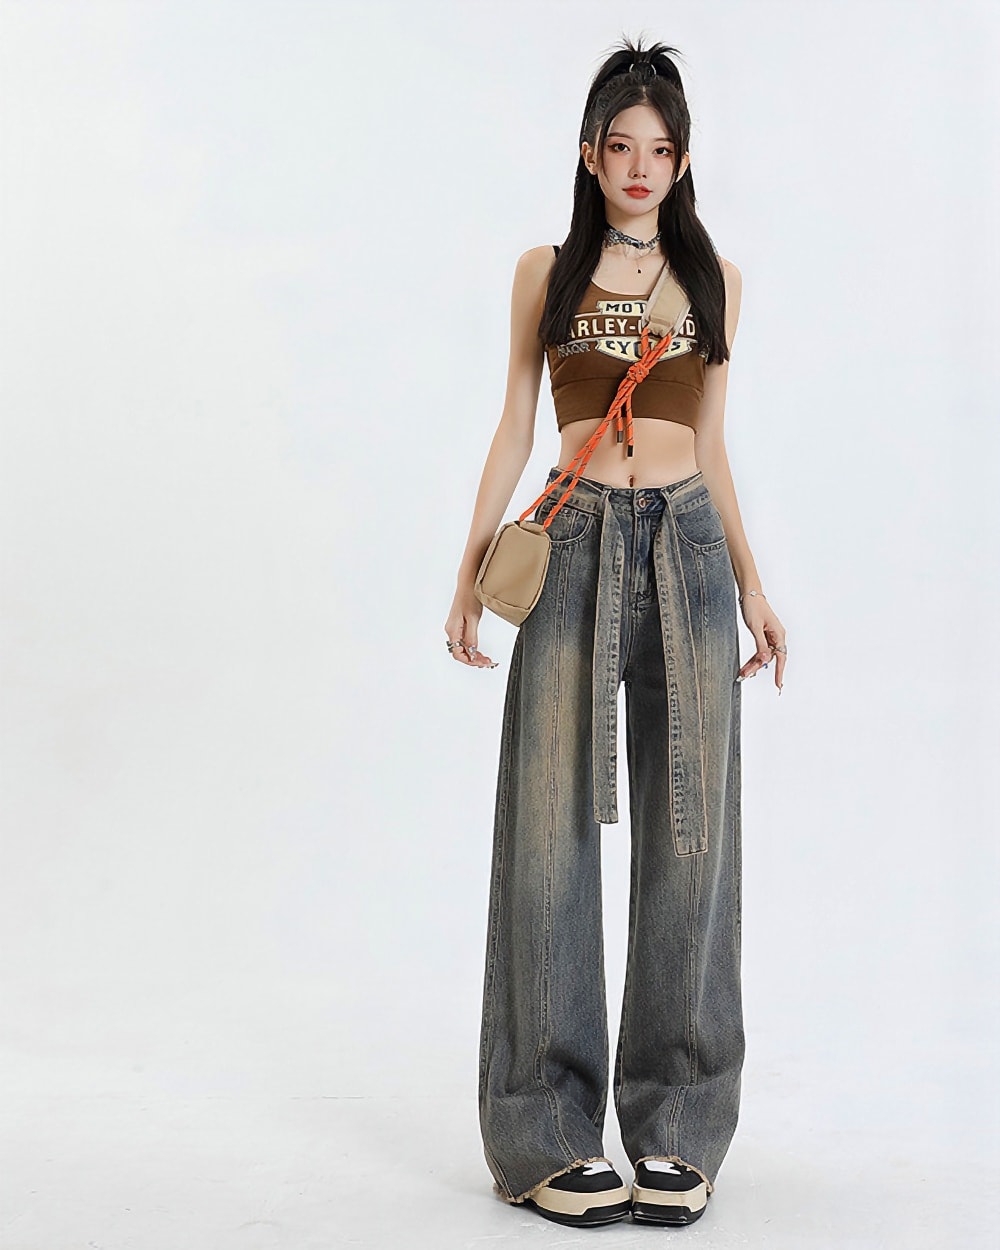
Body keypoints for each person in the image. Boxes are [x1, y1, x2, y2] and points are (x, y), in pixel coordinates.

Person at [444, 36, 787, 1229]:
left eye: (661, 149)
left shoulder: (715, 278)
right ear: (589, 155)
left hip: (685, 542)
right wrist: (466, 569)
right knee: (547, 830)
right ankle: (541, 1130)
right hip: (574, 536)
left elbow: (716, 444)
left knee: (691, 833)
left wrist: (752, 584)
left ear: (681, 163)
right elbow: (512, 423)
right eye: (621, 145)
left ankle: (678, 1124)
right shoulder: (544, 272)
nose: (641, 165)